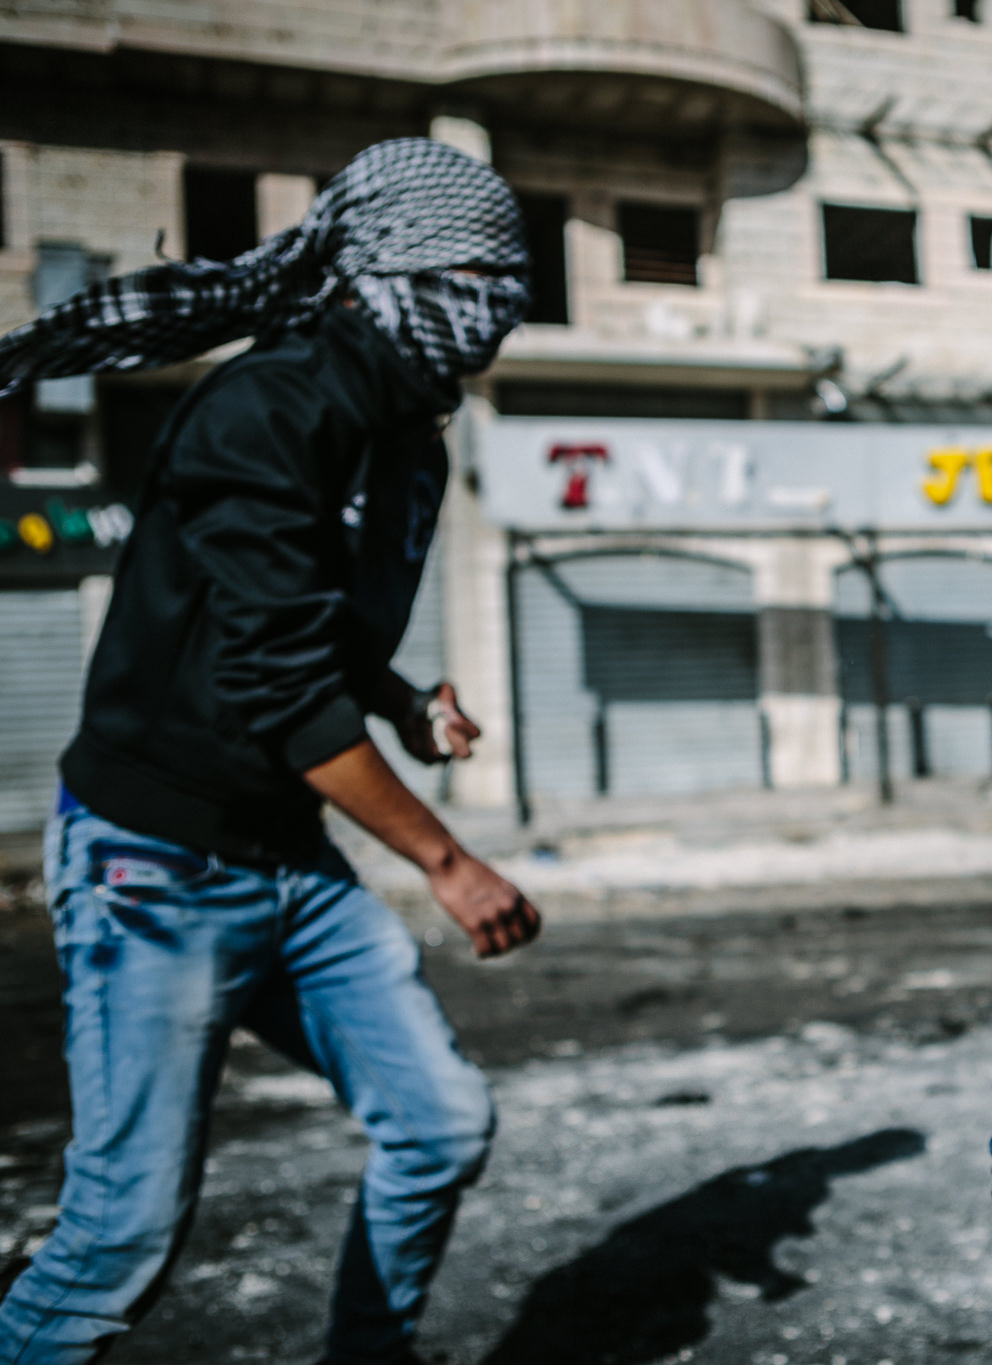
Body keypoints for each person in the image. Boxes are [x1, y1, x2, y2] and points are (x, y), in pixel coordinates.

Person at [0, 138, 539, 1365]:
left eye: (512, 283)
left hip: (286, 860)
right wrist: (450, 865)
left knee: (438, 1124)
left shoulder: (405, 430)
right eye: (477, 275)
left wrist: (402, 706)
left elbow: (310, 632)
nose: (500, 309)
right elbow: (277, 678)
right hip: (154, 864)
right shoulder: (265, 404)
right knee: (119, 1237)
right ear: (397, 268)